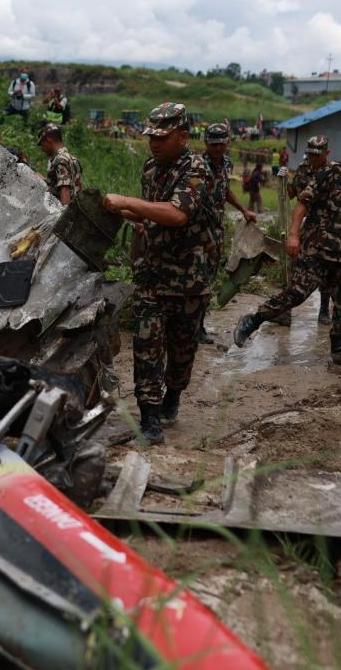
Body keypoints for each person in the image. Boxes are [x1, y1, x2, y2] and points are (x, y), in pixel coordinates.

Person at [101, 103, 217, 444]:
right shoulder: (151, 168)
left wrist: (128, 202)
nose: (154, 143)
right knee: (147, 345)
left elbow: (177, 214)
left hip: (189, 279)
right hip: (153, 274)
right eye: (151, 136)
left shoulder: (197, 170)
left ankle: (172, 399)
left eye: (162, 138)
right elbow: (153, 215)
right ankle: (150, 421)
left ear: (182, 136)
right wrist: (133, 219)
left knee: (182, 352)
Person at [234, 134, 341, 358]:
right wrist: (294, 235)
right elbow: (303, 203)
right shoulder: (332, 172)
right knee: (297, 293)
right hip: (316, 248)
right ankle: (253, 320)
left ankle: (339, 344)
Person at [197, 122, 257, 344]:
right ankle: (193, 327)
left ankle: (199, 325)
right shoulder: (196, 165)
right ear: (206, 143)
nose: (218, 148)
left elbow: (225, 190)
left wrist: (243, 209)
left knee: (210, 277)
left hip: (216, 231)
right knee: (196, 278)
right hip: (195, 231)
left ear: (228, 143)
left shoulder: (228, 164)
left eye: (221, 144)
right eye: (214, 144)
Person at [287, 135, 335, 326]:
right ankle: (286, 308)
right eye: (310, 155)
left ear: (327, 153)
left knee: (326, 270)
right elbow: (292, 194)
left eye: (317, 155)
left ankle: (324, 309)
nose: (313, 159)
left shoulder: (333, 172)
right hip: (306, 227)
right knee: (296, 266)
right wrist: (283, 182)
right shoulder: (303, 170)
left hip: (327, 229)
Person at [38, 123, 82, 206]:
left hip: (66, 213)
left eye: (42, 144)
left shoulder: (60, 160)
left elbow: (65, 189)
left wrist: (63, 217)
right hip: (77, 211)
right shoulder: (72, 159)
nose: (42, 149)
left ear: (49, 139)